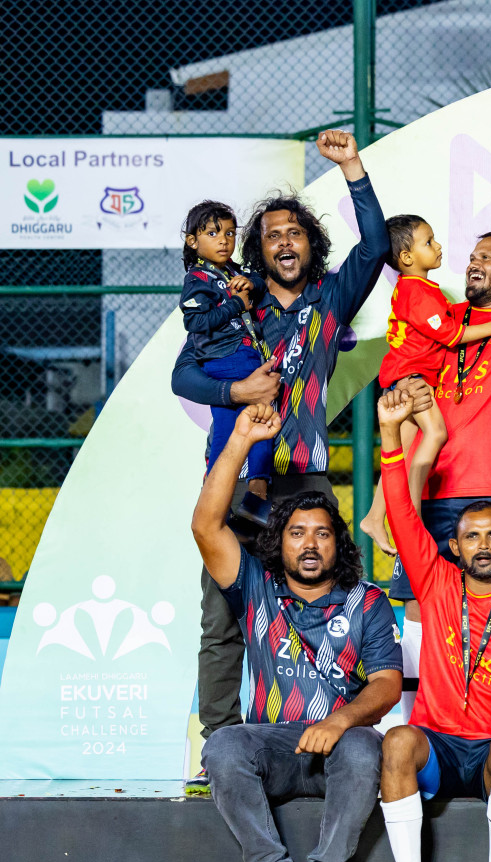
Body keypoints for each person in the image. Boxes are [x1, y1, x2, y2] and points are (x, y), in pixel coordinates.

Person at [171, 131, 388, 793]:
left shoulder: (331, 298)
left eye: (295, 232)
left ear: (309, 244)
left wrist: (351, 166)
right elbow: (184, 377)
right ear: (255, 250)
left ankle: (326, 737)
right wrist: (237, 392)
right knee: (224, 615)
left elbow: (377, 247)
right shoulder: (235, 306)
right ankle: (219, 749)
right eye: (271, 235)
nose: (285, 242)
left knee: (325, 606)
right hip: (245, 482)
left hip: (307, 480)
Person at [190, 403, 402, 862]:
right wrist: (240, 439)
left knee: (363, 747)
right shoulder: (255, 586)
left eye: (323, 533)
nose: (310, 544)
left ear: (338, 544)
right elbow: (205, 526)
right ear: (277, 542)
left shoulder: (366, 601)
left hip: (341, 745)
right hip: (275, 746)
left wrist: (341, 720)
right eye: (297, 533)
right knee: (222, 745)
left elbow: (388, 685)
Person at [361, 209, 491, 721]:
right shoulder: (446, 318)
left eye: (486, 257)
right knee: (415, 603)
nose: (472, 263)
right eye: (471, 256)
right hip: (428, 490)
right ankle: (410, 729)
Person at [371, 385, 491, 862]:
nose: (483, 545)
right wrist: (390, 434)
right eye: (473, 537)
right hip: (438, 748)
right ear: (455, 547)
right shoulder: (434, 579)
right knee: (396, 741)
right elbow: (400, 510)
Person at [375, 212, 491, 524]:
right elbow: (450, 334)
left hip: (487, 484)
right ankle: (405, 516)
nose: (471, 263)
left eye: (485, 257)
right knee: (432, 432)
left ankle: (379, 516)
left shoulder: (431, 295)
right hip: (411, 379)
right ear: (407, 256)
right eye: (429, 241)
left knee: (411, 438)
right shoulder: (423, 296)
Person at [179, 199, 271, 512]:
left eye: (230, 234)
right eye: (213, 233)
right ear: (193, 241)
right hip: (230, 356)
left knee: (226, 423)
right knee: (262, 412)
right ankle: (258, 486)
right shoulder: (197, 279)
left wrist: (251, 282)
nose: (224, 240)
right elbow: (195, 322)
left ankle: (214, 484)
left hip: (234, 356)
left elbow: (259, 280)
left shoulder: (231, 270)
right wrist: (236, 304)